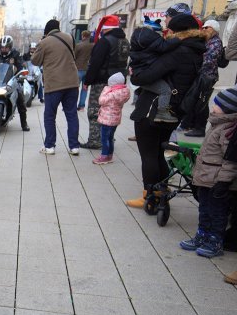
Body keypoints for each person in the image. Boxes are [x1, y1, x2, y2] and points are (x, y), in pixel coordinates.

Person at [126, 13, 206, 208]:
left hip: (153, 110)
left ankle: (150, 196)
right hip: (175, 109)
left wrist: (134, 75)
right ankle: (161, 189)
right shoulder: (196, 50)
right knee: (159, 151)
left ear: (176, 31)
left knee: (149, 153)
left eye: (169, 29)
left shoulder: (178, 52)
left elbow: (144, 76)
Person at [179, 86, 237, 258]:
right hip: (205, 178)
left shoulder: (228, 130)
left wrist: (223, 182)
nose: (213, 106)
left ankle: (215, 241)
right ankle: (202, 235)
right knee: (204, 210)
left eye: (217, 104)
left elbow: (230, 161)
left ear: (227, 109)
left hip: (217, 181)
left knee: (217, 213)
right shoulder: (216, 125)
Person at [31, 19, 80, 155]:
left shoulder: (44, 42)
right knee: (71, 114)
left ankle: (50, 146)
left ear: (47, 31)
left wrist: (40, 45)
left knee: (50, 115)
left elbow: (35, 61)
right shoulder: (69, 38)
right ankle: (74, 146)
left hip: (54, 84)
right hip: (72, 82)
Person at [81, 15, 129, 149]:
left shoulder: (105, 41)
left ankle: (95, 140)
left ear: (105, 28)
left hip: (102, 82)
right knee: (112, 111)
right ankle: (108, 139)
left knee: (95, 110)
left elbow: (95, 63)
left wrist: (87, 81)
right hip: (118, 82)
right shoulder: (125, 41)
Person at [183, 20, 226, 137]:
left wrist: (195, 67)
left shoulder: (215, 43)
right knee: (197, 100)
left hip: (207, 76)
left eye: (206, 28)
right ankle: (191, 125)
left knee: (201, 102)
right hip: (203, 75)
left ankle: (200, 128)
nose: (203, 29)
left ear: (213, 29)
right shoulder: (209, 40)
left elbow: (208, 60)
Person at [0, 35, 30, 131]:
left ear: (10, 47)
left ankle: (24, 124)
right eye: (2, 47)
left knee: (20, 98)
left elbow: (20, 66)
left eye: (6, 47)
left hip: (11, 80)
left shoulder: (16, 54)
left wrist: (21, 75)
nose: (4, 49)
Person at [93, 72, 130, 164]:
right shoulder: (124, 91)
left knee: (104, 138)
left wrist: (105, 90)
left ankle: (104, 156)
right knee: (110, 137)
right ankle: (110, 155)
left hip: (107, 119)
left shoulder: (112, 93)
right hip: (115, 119)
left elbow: (101, 101)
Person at [75, 30, 93, 111]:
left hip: (79, 69)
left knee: (75, 88)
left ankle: (73, 105)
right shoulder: (93, 46)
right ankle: (81, 106)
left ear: (83, 36)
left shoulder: (78, 45)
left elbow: (74, 57)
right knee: (85, 88)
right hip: (88, 70)